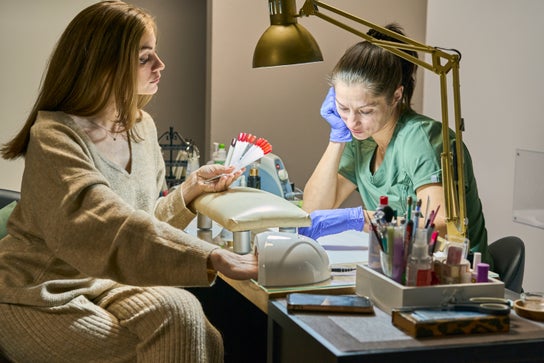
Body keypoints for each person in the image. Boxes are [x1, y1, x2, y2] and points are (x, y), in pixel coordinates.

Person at [0, 2, 257, 362]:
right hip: (36, 292)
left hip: (104, 282)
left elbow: (140, 220)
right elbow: (103, 223)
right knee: (166, 343)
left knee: (184, 313)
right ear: (103, 65)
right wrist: (210, 255)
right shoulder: (54, 137)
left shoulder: (141, 127)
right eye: (144, 57)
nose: (160, 65)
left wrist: (190, 189)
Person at [300, 23, 491, 266]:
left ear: (397, 96)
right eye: (343, 107)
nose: (352, 121)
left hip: (453, 273)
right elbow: (314, 209)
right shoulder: (361, 139)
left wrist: (364, 219)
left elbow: (441, 226)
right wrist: (337, 138)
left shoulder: (420, 139)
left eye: (365, 110)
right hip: (398, 268)